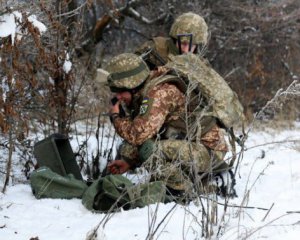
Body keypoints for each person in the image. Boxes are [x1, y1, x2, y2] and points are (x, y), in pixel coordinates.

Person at [105, 53, 235, 199]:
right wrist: (128, 161)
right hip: (190, 144)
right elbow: (147, 133)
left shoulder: (159, 93)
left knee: (149, 150)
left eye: (119, 91)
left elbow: (137, 135)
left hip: (208, 150)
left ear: (132, 84)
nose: (118, 97)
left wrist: (116, 117)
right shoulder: (149, 88)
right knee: (135, 147)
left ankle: (180, 190)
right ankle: (205, 181)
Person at [135, 12, 209, 69]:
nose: (186, 50)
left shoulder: (201, 65)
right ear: (175, 39)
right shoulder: (155, 48)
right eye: (183, 43)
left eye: (191, 45)